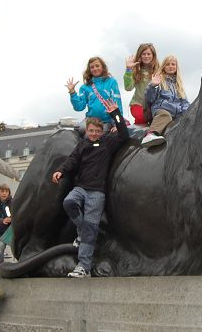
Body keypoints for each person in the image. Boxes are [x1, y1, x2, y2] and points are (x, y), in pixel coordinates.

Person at [51, 99, 128, 278]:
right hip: (81, 188)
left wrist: (116, 114)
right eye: (91, 131)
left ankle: (83, 267)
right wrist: (60, 170)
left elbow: (124, 134)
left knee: (91, 229)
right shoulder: (82, 145)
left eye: (97, 131)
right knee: (69, 202)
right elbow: (72, 160)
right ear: (86, 131)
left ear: (102, 132)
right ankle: (83, 230)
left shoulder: (107, 143)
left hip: (97, 192)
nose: (94, 134)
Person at [141, 55, 190, 147]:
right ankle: (151, 134)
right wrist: (152, 86)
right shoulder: (159, 80)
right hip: (162, 109)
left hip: (176, 114)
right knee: (165, 115)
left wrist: (188, 114)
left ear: (176, 67)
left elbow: (184, 102)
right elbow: (150, 98)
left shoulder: (178, 85)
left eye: (173, 64)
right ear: (163, 67)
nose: (171, 66)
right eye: (168, 64)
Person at [67, 56, 124, 134]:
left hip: (106, 121)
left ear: (102, 67)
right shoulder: (85, 87)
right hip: (90, 120)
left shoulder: (111, 82)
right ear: (89, 70)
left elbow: (117, 103)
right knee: (80, 130)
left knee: (97, 134)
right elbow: (79, 107)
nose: (95, 68)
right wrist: (72, 92)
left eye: (97, 66)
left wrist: (118, 124)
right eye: (92, 67)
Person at [124, 43, 160, 126]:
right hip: (138, 104)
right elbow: (128, 88)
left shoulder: (159, 70)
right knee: (142, 119)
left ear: (153, 55)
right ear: (140, 55)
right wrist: (128, 70)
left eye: (149, 54)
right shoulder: (135, 70)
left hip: (153, 105)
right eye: (144, 54)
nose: (146, 56)